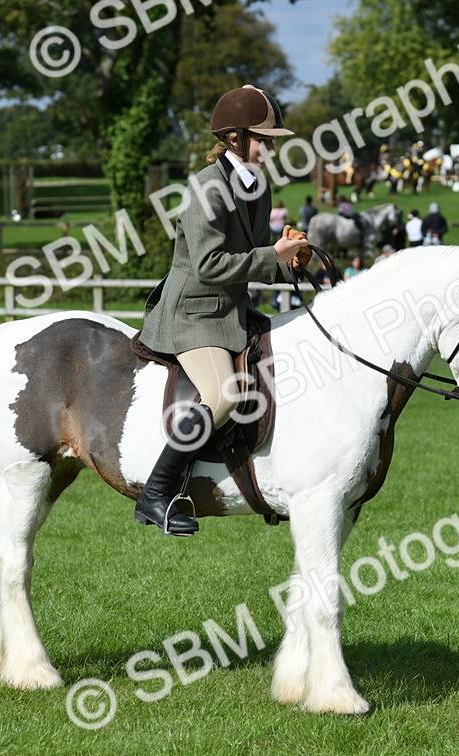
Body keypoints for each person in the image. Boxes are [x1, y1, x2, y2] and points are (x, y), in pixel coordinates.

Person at [136, 84, 308, 537]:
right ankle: (156, 494)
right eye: (264, 139)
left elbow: (253, 257)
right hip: (193, 314)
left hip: (234, 310)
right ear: (234, 139)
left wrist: (291, 263)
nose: (270, 148)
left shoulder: (257, 186)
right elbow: (211, 265)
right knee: (224, 394)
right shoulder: (205, 188)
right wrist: (274, 254)